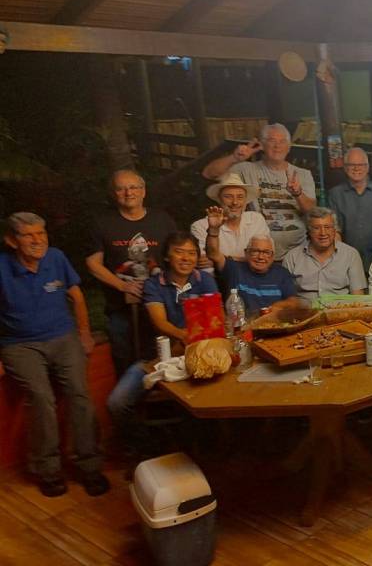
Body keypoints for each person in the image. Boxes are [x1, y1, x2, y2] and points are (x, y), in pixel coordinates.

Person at [0, 212, 109, 497]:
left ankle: (89, 464)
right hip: (20, 345)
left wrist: (84, 333)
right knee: (41, 398)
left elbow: (77, 296)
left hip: (63, 337)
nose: (37, 240)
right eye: (28, 235)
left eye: (41, 233)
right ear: (12, 240)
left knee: (79, 394)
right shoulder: (2, 267)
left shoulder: (56, 257)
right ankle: (47, 470)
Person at [107, 232, 218, 457]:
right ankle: (150, 447)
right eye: (179, 252)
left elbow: (215, 318)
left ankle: (204, 449)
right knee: (116, 403)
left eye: (192, 253)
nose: (186, 258)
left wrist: (194, 341)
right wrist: (184, 335)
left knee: (211, 398)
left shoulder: (204, 280)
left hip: (199, 355)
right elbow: (160, 323)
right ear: (167, 256)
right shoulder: (153, 284)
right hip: (157, 358)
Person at [86, 169, 178, 374]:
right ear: (114, 193)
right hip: (121, 308)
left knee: (164, 356)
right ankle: (129, 394)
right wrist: (122, 285)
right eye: (121, 189)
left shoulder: (162, 219)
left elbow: (176, 253)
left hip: (161, 304)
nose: (129, 193)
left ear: (143, 191)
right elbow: (93, 263)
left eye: (134, 187)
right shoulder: (102, 223)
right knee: (125, 358)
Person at [201, 123, 317, 258]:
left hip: (297, 252)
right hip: (258, 252)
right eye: (272, 141)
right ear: (262, 145)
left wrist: (298, 193)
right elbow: (209, 173)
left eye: (282, 141)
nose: (277, 146)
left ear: (289, 147)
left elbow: (311, 211)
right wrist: (234, 158)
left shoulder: (302, 174)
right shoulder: (246, 169)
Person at [205, 207, 303, 312]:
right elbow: (213, 253)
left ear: (273, 256)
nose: (260, 257)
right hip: (242, 321)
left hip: (271, 320)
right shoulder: (234, 269)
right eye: (255, 251)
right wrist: (213, 230)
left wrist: (277, 307)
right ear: (246, 253)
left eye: (266, 252)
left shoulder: (281, 273)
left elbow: (294, 302)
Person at [327, 147, 372, 272]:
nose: (356, 168)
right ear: (345, 167)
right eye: (351, 165)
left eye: (361, 165)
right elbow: (334, 229)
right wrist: (340, 256)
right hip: (347, 261)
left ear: (367, 167)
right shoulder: (335, 194)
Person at [282, 207, 367, 305]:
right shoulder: (292, 257)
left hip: (340, 311)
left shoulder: (351, 254)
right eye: (316, 228)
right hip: (304, 312)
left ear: (334, 230)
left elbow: (358, 296)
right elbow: (287, 299)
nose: (323, 233)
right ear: (309, 231)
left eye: (327, 227)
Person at [190, 172, 269, 268]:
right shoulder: (200, 226)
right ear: (219, 199)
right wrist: (246, 259)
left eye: (240, 197)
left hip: (251, 276)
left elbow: (265, 258)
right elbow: (204, 263)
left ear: (245, 200)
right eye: (228, 197)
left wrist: (221, 259)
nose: (235, 202)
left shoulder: (256, 220)